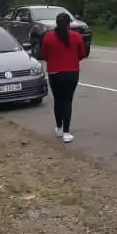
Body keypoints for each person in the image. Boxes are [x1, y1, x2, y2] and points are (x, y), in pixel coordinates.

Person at [39, 12, 86, 143]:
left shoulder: (48, 36)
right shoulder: (76, 36)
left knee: (58, 100)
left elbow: (44, 54)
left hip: (54, 72)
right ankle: (66, 132)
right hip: (72, 72)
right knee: (67, 101)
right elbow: (82, 54)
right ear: (69, 23)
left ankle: (59, 128)